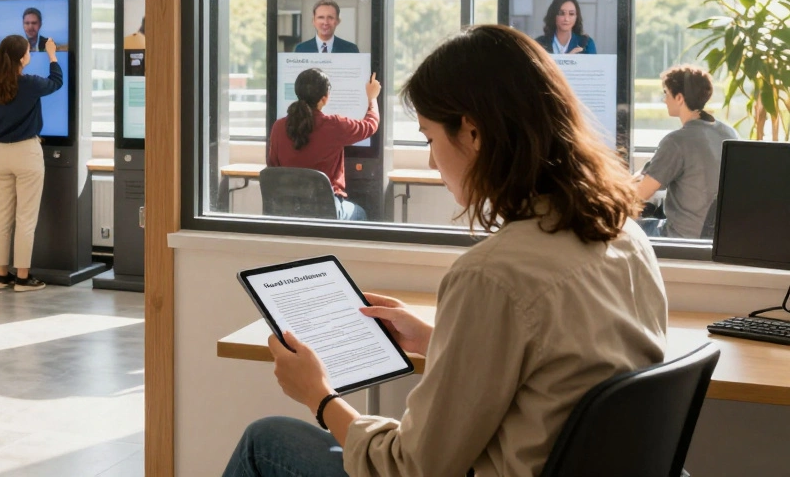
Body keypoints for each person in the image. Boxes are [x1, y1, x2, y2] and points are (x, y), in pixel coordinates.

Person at [225, 25, 666, 477]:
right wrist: (438, 340)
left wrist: (319, 396)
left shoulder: (492, 275)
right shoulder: (627, 239)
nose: (433, 162)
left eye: (430, 138)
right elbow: (551, 377)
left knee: (267, 440)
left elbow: (410, 468)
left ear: (472, 133)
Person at [0, 34, 62, 292]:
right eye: (29, 50)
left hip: (2, 154)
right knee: (26, 218)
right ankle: (24, 279)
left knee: (2, 216)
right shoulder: (28, 84)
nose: (30, 54)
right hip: (27, 152)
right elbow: (56, 83)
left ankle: (2, 276)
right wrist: (52, 55)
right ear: (21, 58)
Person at [635, 65, 739, 238]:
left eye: (666, 93)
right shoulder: (729, 133)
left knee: (624, 231)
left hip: (680, 237)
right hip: (718, 237)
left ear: (680, 98)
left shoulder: (676, 141)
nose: (664, 100)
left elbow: (639, 195)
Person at [266, 68, 381, 221]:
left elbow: (273, 167)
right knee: (361, 213)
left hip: (289, 208)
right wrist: (372, 98)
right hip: (326, 209)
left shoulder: (278, 127)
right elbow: (370, 125)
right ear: (325, 98)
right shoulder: (334, 125)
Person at [295, 0, 360, 54]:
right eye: (321, 17)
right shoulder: (301, 49)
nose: (325, 22)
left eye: (330, 17)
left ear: (338, 21)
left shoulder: (351, 49)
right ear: (313, 21)